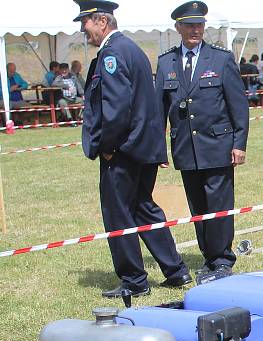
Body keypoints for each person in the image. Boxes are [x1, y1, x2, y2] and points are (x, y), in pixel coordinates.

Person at [77, 0, 191, 298]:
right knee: (143, 207)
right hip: (142, 146)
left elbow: (116, 107)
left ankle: (134, 280)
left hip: (124, 149)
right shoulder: (131, 49)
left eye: (85, 23)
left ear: (101, 22)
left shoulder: (113, 53)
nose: (82, 31)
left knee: (118, 214)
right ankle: (175, 270)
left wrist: (108, 147)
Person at [155, 1, 250, 285]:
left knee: (218, 205)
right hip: (186, 146)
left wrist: (239, 142)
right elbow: (158, 111)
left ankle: (222, 260)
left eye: (199, 25)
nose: (195, 29)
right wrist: (158, 148)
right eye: (189, 25)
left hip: (218, 145)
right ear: (178, 28)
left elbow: (238, 105)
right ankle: (209, 257)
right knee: (198, 207)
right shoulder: (166, 62)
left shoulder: (220, 59)